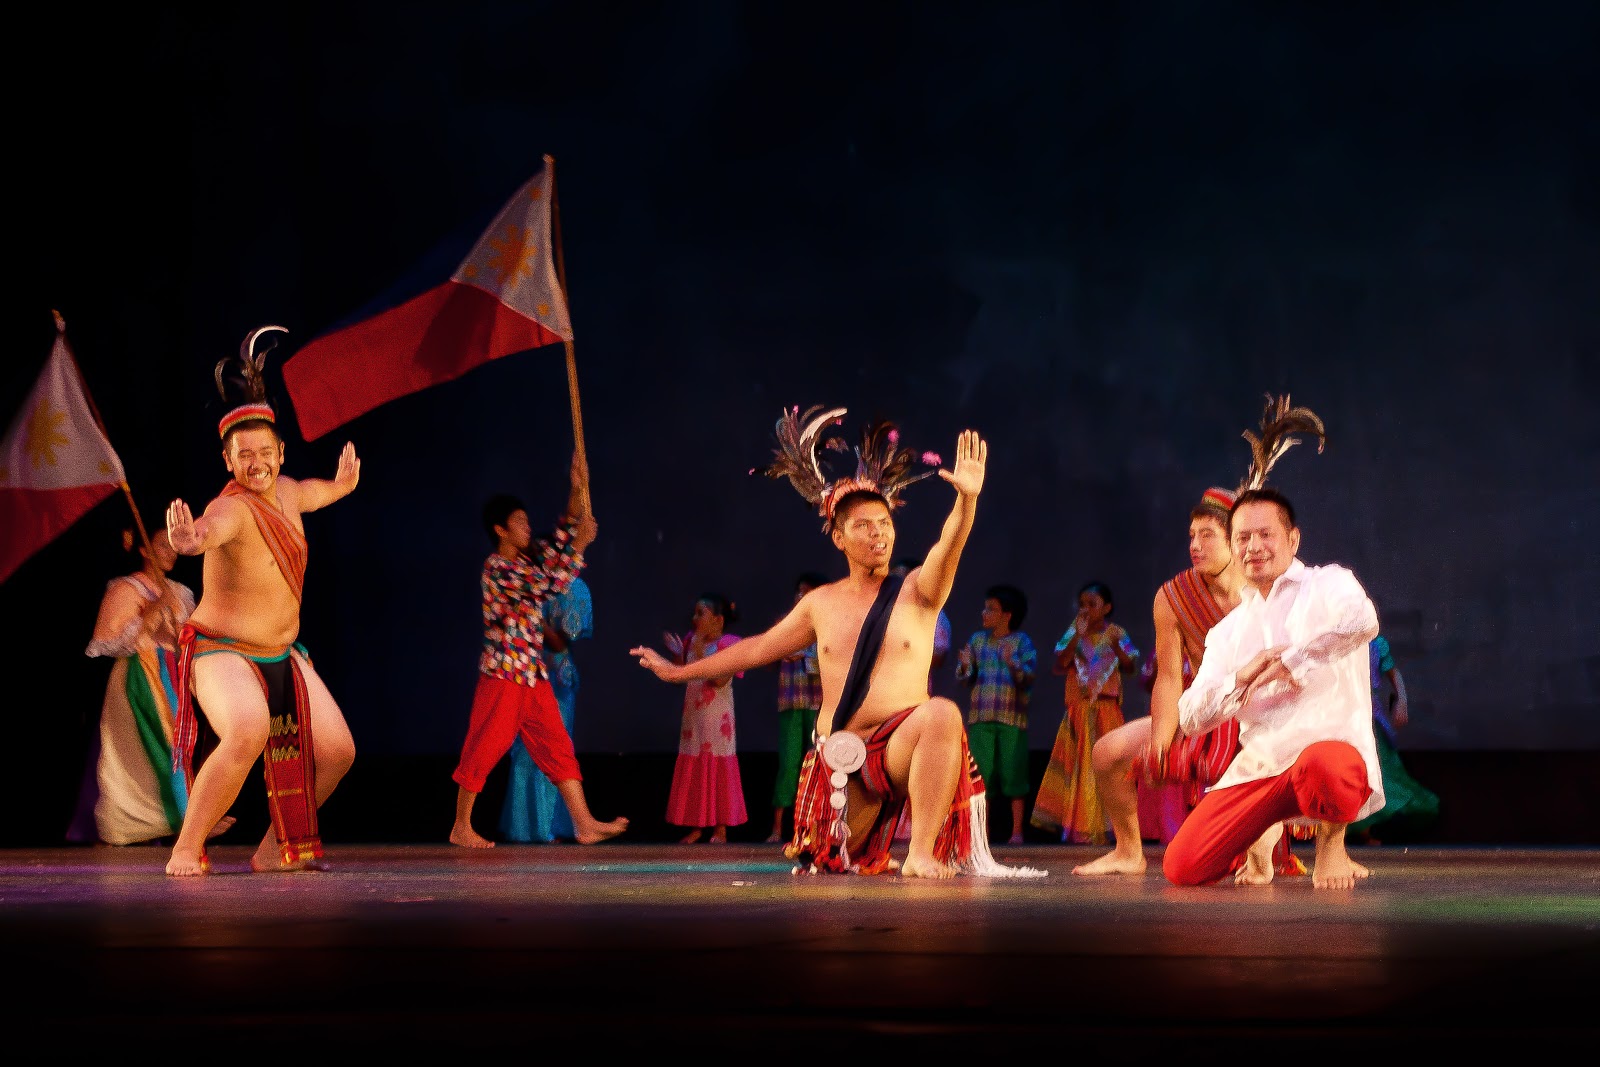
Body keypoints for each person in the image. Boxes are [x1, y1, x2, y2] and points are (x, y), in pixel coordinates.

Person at [635, 406, 1042, 878]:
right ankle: (862, 840)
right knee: (830, 862)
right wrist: (677, 673)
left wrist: (966, 502)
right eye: (863, 525)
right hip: (843, 762)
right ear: (839, 538)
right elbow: (756, 649)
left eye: (884, 523)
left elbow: (948, 545)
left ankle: (920, 853)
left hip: (899, 748)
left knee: (943, 714)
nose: (878, 533)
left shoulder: (919, 591)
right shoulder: (820, 604)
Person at [162, 325, 359, 876]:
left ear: (281, 453)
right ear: (227, 460)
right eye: (243, 455)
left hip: (281, 654)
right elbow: (206, 531)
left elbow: (318, 492)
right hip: (221, 650)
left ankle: (274, 848)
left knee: (338, 752)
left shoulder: (290, 492)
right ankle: (185, 848)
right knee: (247, 729)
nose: (256, 464)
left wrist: (343, 485)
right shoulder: (230, 508)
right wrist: (187, 540)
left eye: (265, 453)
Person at [1165, 483, 1384, 890]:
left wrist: (1292, 660)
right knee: (1183, 867)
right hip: (1263, 768)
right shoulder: (1228, 632)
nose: (1254, 547)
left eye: (1266, 534)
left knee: (1325, 764)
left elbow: (1362, 622)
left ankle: (1331, 847)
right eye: (1242, 537)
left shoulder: (1329, 584)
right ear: (1232, 546)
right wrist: (1240, 678)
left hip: (1326, 761)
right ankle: (1262, 840)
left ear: (1293, 539)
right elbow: (1191, 717)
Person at [1071, 486, 1296, 878]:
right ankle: (1128, 852)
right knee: (1107, 754)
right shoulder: (1173, 596)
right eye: (1192, 536)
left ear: (1234, 540)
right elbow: (1169, 677)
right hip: (1206, 714)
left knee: (1330, 745)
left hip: (1265, 718)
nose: (1195, 545)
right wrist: (1161, 741)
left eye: (1207, 535)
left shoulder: (1272, 585)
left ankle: (1329, 851)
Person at [449, 471, 628, 849]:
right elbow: (548, 584)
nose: (527, 526)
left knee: (557, 746)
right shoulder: (497, 569)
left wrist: (576, 488)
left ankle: (584, 824)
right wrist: (579, 546)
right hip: (503, 674)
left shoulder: (527, 561)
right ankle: (461, 825)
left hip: (532, 676)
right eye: (519, 522)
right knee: (485, 746)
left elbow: (562, 536)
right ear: (500, 530)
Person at [68, 526, 236, 845]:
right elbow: (107, 640)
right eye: (162, 545)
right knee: (161, 743)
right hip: (139, 674)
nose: (170, 551)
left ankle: (182, 817)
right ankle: (186, 819)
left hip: (173, 672)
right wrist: (154, 612)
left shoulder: (180, 592)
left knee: (182, 743)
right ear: (144, 550)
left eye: (173, 546)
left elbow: (191, 639)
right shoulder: (127, 588)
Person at [1030, 582, 1139, 844]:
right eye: (1082, 604)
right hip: (1079, 711)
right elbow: (1060, 663)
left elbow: (1130, 667)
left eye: (1092, 604)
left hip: (1106, 710)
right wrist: (1077, 636)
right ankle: (1078, 828)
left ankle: (1111, 828)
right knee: (1079, 768)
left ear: (1107, 607)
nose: (1085, 609)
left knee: (1108, 767)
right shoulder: (1074, 632)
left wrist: (1117, 648)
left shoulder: (1116, 632)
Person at [498, 575, 592, 843]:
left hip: (553, 675)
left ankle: (546, 828)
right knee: (523, 752)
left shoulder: (572, 588)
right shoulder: (529, 583)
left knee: (550, 750)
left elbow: (562, 641)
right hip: (525, 670)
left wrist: (534, 620)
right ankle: (523, 829)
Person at [663, 593, 748, 843]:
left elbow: (719, 680)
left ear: (718, 620)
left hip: (717, 722)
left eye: (701, 613)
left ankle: (720, 829)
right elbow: (680, 678)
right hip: (693, 721)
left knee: (717, 769)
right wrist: (677, 656)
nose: (695, 618)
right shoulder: (691, 640)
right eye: (695, 613)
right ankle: (697, 826)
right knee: (695, 769)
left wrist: (699, 651)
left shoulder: (729, 644)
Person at [955, 584, 1036, 844]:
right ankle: (983, 834)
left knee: (1014, 775)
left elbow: (1028, 678)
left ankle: (1017, 832)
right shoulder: (978, 641)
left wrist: (1014, 663)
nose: (984, 613)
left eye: (991, 609)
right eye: (985, 608)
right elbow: (965, 677)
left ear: (1007, 615)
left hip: (1012, 719)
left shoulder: (1021, 642)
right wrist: (965, 666)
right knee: (982, 776)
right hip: (981, 718)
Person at [1349, 632, 1440, 843]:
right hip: (1345, 718)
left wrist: (1402, 700)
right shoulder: (1336, 640)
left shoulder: (1376, 644)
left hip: (1369, 718)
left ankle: (1365, 828)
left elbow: (1393, 672)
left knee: (1381, 773)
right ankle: (1352, 830)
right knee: (1354, 773)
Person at [769, 572, 827, 843]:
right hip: (792, 702)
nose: (802, 597)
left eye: (808, 593)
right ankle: (778, 828)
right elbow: (771, 656)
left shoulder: (827, 623)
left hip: (817, 704)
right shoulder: (784, 623)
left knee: (818, 764)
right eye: (799, 592)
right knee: (789, 763)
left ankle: (814, 828)